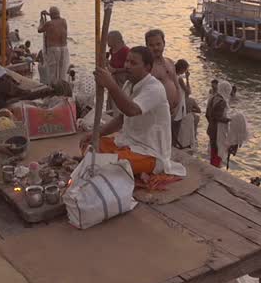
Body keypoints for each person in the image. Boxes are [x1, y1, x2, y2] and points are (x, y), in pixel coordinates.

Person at [82, 46, 187, 178]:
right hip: (127, 143)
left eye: (133, 63)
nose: (127, 66)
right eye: (127, 61)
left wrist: (111, 85)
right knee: (89, 145)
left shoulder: (154, 88)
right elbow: (121, 119)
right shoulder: (129, 85)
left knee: (110, 164)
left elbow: (131, 110)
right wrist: (96, 134)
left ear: (147, 68)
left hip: (149, 152)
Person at [144, 29, 183, 140]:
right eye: (151, 45)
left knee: (166, 140)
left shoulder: (169, 62)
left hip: (172, 111)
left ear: (164, 43)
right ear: (147, 46)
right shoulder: (148, 68)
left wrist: (178, 103)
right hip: (156, 114)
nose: (156, 48)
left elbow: (176, 84)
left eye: (158, 44)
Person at [38, 6, 69, 86]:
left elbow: (39, 30)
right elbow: (56, 17)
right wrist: (49, 14)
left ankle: (54, 88)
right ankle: (62, 88)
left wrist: (41, 20)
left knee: (53, 72)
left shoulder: (49, 24)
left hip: (53, 48)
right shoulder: (64, 21)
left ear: (51, 15)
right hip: (64, 48)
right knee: (62, 72)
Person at [173, 59, 197, 149]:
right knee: (176, 126)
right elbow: (188, 92)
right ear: (182, 68)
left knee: (173, 125)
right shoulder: (179, 79)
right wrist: (187, 78)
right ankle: (173, 144)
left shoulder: (173, 76)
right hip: (179, 104)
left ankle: (173, 143)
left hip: (175, 102)